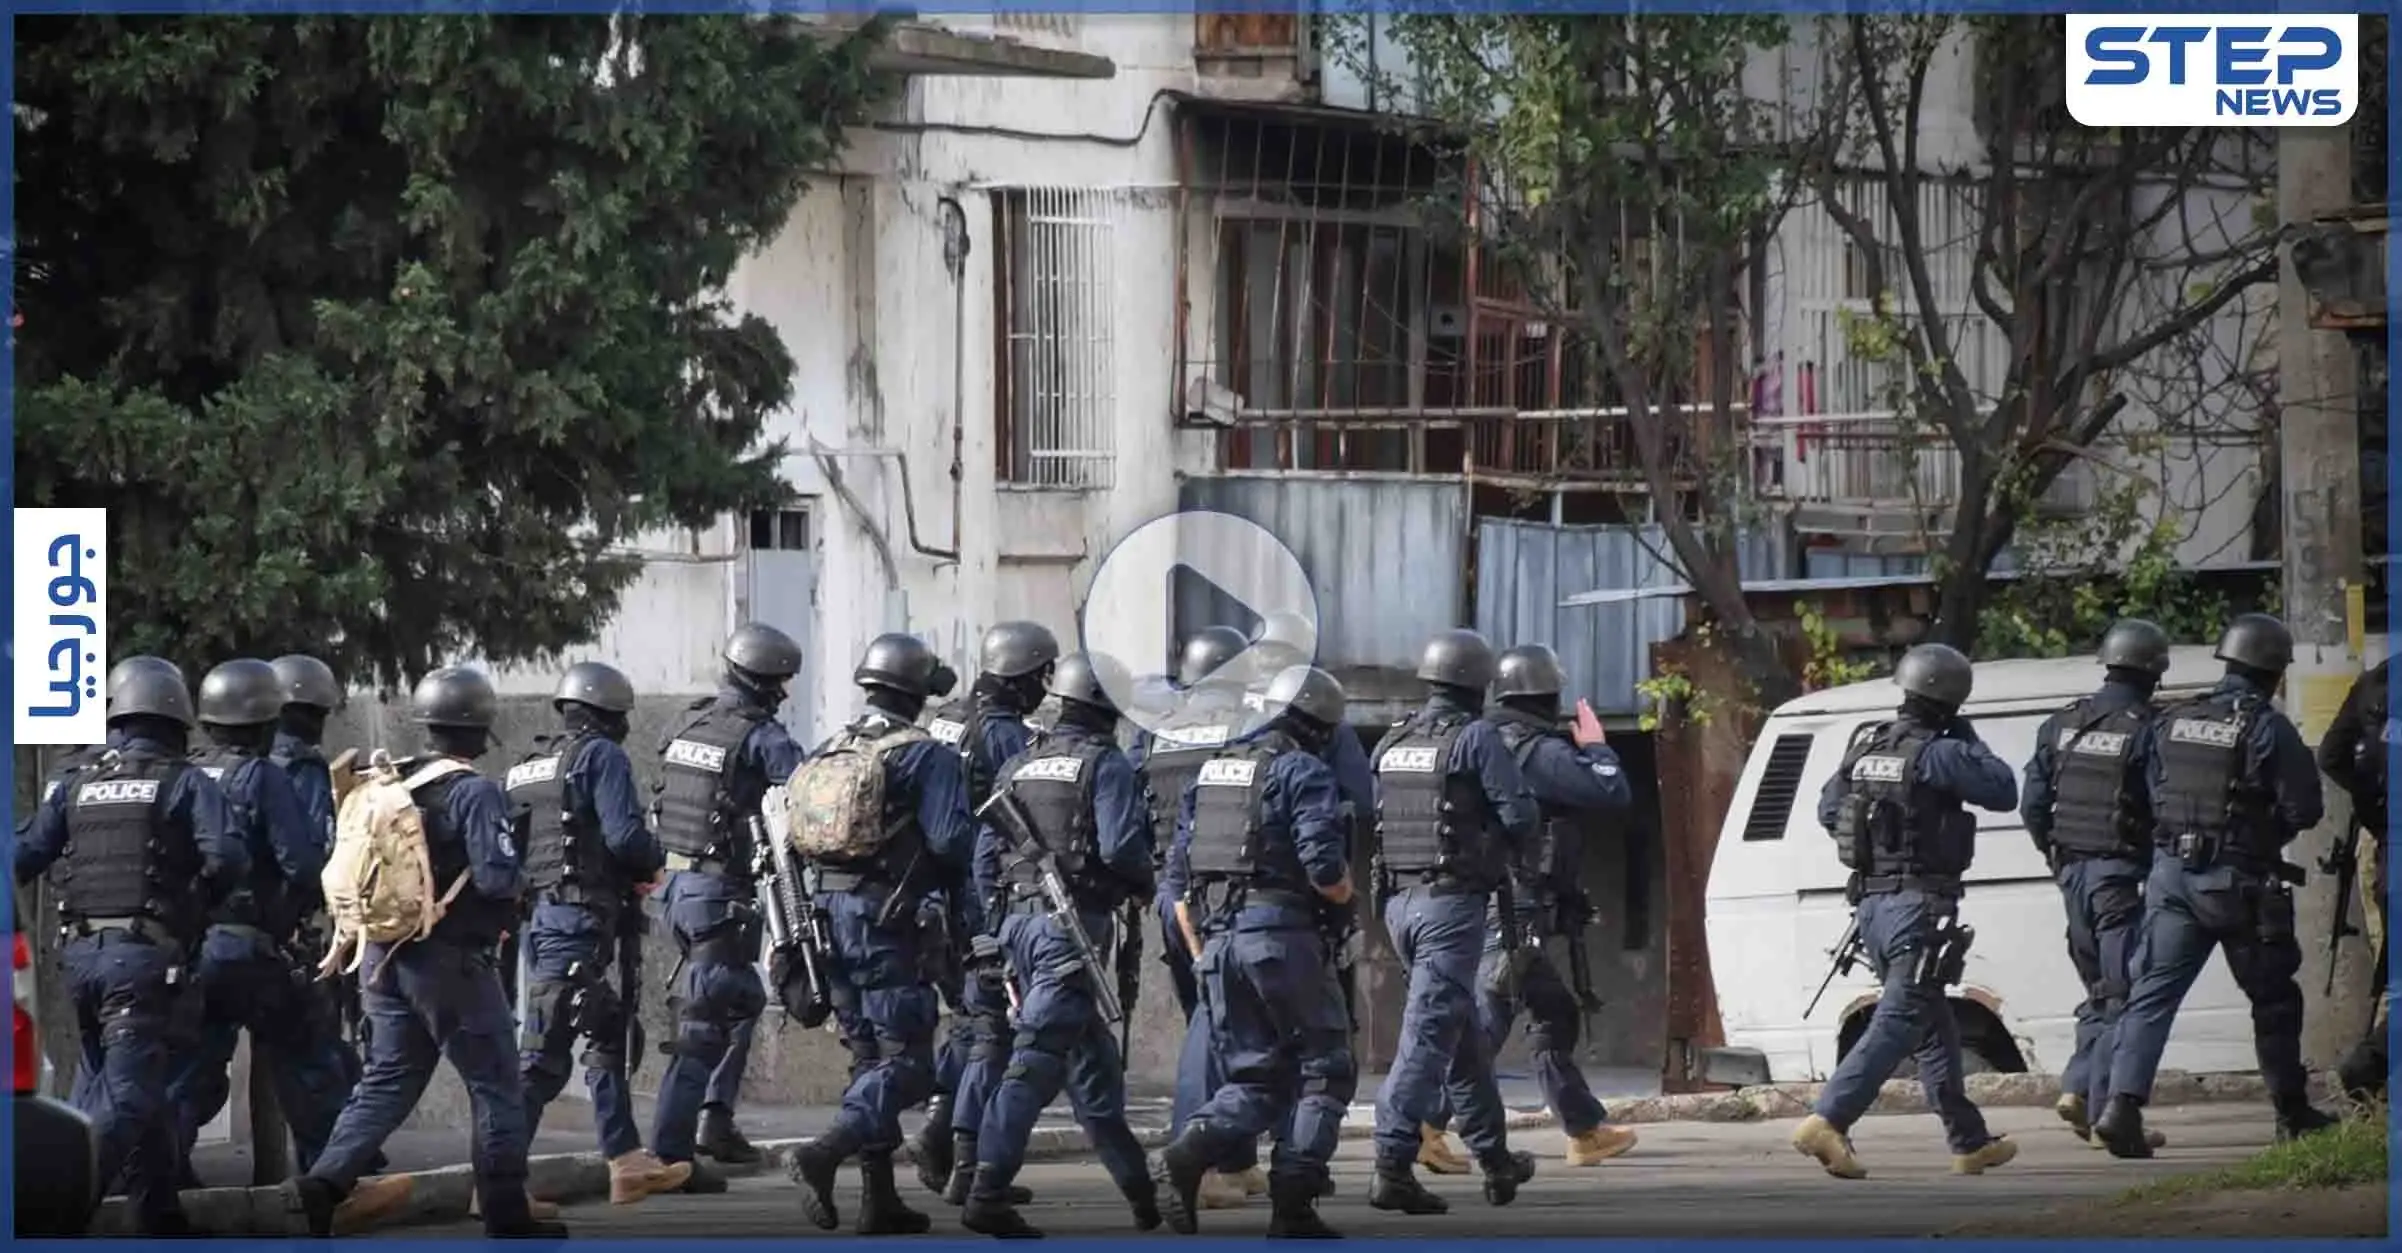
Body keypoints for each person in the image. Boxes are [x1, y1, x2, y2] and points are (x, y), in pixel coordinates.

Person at [283, 667, 563, 1238]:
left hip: (383, 957)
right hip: (451, 962)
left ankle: (325, 1182)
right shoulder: (473, 791)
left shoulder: (391, 783)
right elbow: (494, 877)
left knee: (387, 1079)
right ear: (482, 728)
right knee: (495, 1083)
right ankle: (507, 1212)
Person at [2094, 614, 2341, 1155]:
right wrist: (2257, 834)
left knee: (2151, 998)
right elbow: (2305, 808)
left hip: (2170, 879)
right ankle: (2291, 1114)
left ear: (2227, 661)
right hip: (2237, 881)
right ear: (2274, 672)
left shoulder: (2173, 718)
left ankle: (2121, 1108)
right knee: (2274, 999)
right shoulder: (2266, 726)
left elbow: (2136, 789)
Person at [16, 660, 244, 1235]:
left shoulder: (74, 782)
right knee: (127, 1102)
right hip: (142, 964)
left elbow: (23, 856)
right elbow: (228, 858)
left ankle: (161, 1217)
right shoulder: (183, 781)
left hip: (80, 962)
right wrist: (192, 907)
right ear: (177, 716)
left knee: (139, 1091)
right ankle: (52, 1217)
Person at [1791, 643, 2020, 1180]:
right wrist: (1965, 736)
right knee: (1898, 1019)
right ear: (1952, 700)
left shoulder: (1867, 747)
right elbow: (2003, 789)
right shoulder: (1939, 753)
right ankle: (1829, 1118)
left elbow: (1830, 810)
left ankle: (1969, 1141)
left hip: (1871, 907)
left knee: (1933, 1026)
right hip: (1918, 907)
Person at [958, 653, 1162, 1238]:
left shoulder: (1021, 763)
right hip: (1066, 930)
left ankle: (1148, 1199)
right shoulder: (1106, 764)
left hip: (1020, 927)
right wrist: (1144, 884)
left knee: (1094, 1075)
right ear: (1106, 709)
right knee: (1033, 1063)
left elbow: (982, 856)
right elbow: (1122, 848)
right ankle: (987, 1192)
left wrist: (997, 922)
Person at [1152, 665, 1357, 1237]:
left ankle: (1187, 1150)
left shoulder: (1211, 774)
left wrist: (1203, 951)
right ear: (1317, 725)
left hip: (1219, 946)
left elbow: (1179, 883)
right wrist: (1345, 895)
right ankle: (1293, 1206)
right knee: (1325, 1069)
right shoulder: (1301, 770)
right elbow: (1323, 868)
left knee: (1258, 1077)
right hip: (1279, 938)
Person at [783, 634, 977, 1236]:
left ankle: (880, 1200)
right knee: (910, 1064)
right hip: (886, 923)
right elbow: (951, 843)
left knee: (868, 1056)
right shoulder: (926, 756)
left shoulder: (829, 747)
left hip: (825, 917)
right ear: (918, 693)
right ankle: (823, 1151)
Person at [1442, 643, 1639, 1167]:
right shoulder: (1532, 748)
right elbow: (1611, 791)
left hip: (1502, 899)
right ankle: (1422, 1118)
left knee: (1550, 1012)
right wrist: (1596, 745)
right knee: (1490, 1015)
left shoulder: (1485, 740)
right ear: (1546, 695)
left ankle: (1584, 1127)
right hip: (1513, 905)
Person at [1366, 628, 1541, 1215]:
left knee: (1460, 1033)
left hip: (1398, 907)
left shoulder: (1392, 741)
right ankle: (1391, 1162)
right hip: (1452, 908)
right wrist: (1505, 849)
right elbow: (1519, 814)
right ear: (1477, 684)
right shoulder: (1476, 738)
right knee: (1427, 1038)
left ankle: (1495, 1161)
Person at [508, 661, 692, 1203]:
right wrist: (655, 861)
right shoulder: (600, 756)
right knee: (544, 1055)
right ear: (612, 716)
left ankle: (626, 1159)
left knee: (607, 1030)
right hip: (576, 922)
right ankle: (497, 1181)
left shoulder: (526, 766)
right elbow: (624, 836)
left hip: (542, 918)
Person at [167, 659, 348, 1176]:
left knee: (191, 1068)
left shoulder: (193, 770)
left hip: (191, 948)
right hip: (249, 945)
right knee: (311, 1059)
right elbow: (304, 863)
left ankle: (160, 1183)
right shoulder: (263, 775)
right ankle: (333, 1181)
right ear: (269, 721)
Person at [648, 623, 808, 1188]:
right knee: (703, 1023)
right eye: (780, 684)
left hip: (676, 889)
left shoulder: (687, 721)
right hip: (718, 894)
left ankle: (714, 1119)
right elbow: (807, 792)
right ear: (762, 684)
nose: (784, 694)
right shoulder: (759, 736)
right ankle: (669, 1157)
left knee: (737, 1000)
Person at [915, 621, 1056, 1206]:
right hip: (978, 895)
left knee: (971, 1020)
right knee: (991, 1031)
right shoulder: (1003, 735)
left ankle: (938, 1126)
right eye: (1042, 675)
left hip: (928, 894)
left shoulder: (945, 717)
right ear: (1025, 677)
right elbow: (1028, 815)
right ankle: (967, 1165)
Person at [2019, 620, 2173, 1150]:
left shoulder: (2062, 722)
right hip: (2120, 876)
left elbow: (2032, 805)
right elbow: (2162, 806)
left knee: (2101, 992)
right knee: (2125, 994)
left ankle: (2080, 1092)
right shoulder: (2148, 727)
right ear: (2154, 671)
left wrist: (2059, 860)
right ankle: (2102, 1107)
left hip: (2073, 876)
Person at [1136, 627, 1266, 1211]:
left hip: (1172, 896)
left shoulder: (1155, 736)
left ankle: (1234, 1162)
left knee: (1216, 1025)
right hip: (1222, 898)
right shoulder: (1244, 731)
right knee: (1214, 1029)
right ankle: (1191, 1161)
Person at [270, 651, 377, 1149]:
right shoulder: (302, 767)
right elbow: (319, 854)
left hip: (216, 935)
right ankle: (336, 1170)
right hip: (289, 934)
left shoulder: (233, 764)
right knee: (316, 1056)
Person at [2317, 654, 2390, 1103]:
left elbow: (2331, 755)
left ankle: (2371, 1070)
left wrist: (2375, 811)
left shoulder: (2378, 680)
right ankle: (2368, 1066)